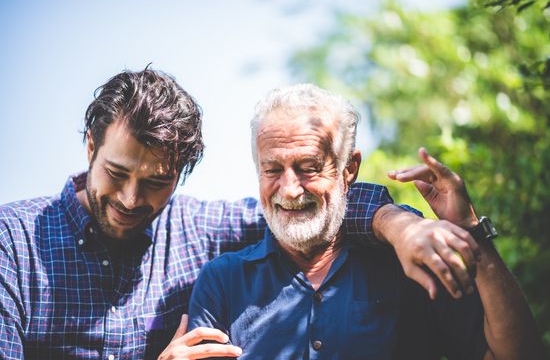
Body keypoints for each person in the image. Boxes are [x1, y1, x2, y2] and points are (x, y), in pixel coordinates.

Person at [0, 68, 480, 360]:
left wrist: (400, 227)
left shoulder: (198, 230)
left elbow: (314, 205)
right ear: (90, 147)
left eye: (155, 182)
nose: (129, 199)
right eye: (116, 173)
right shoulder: (12, 243)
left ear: (182, 174)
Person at [188, 84, 544, 359]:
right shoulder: (223, 280)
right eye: (272, 169)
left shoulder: (408, 262)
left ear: (349, 170)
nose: (291, 189)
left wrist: (471, 233)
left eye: (309, 168)